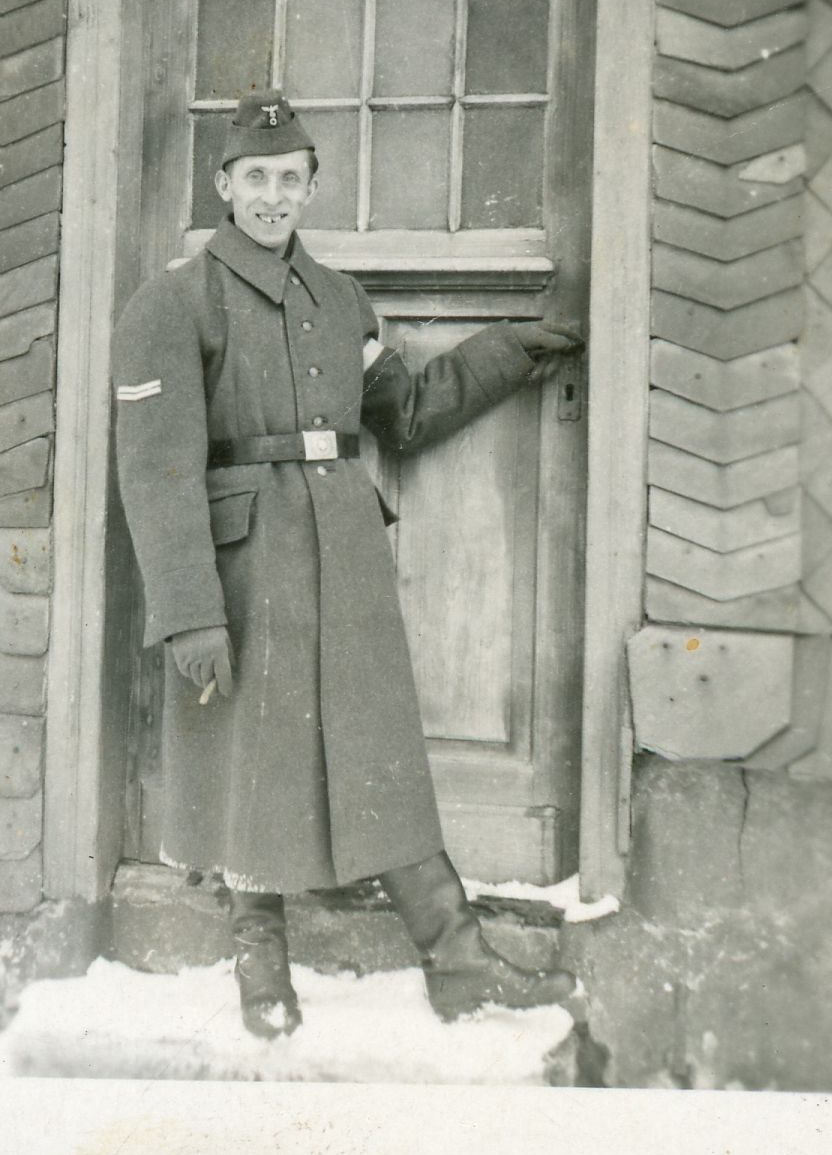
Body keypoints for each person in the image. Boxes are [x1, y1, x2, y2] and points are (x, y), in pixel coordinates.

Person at [111, 89, 586, 1038]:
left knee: (379, 747)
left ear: (310, 188)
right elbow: (156, 475)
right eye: (255, 177)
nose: (272, 196)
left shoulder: (339, 300)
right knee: (249, 751)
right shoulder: (174, 303)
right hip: (243, 566)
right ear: (222, 185)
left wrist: (506, 352)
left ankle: (458, 963)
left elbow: (403, 412)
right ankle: (260, 969)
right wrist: (189, 612)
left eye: (289, 179)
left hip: (345, 557)